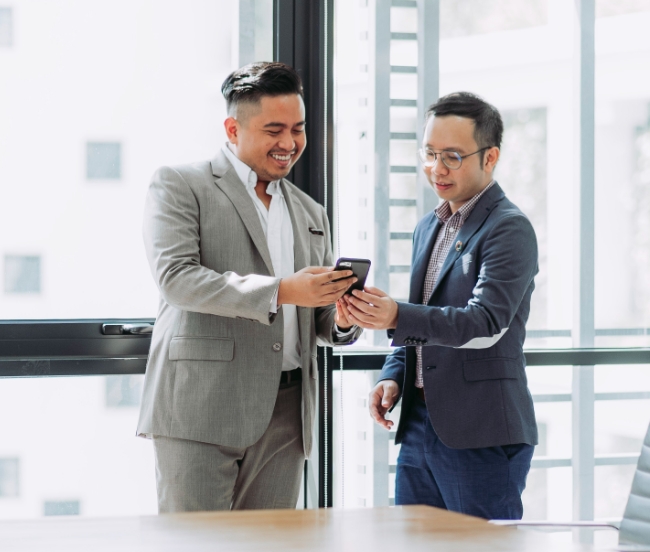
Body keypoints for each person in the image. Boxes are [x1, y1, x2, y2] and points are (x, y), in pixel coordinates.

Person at [137, 62, 362, 513]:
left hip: (288, 414)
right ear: (233, 128)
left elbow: (313, 316)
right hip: (202, 405)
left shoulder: (311, 211)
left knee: (274, 545)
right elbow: (177, 280)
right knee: (195, 546)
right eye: (274, 129)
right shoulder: (181, 185)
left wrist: (340, 317)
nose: (290, 143)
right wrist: (281, 290)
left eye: (297, 129)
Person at [341, 92, 538, 520]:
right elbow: (424, 317)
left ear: (490, 158)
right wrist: (394, 375)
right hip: (418, 426)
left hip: (480, 432)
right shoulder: (429, 226)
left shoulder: (509, 228)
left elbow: (485, 323)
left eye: (452, 156)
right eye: (429, 153)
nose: (436, 168)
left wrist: (395, 314)